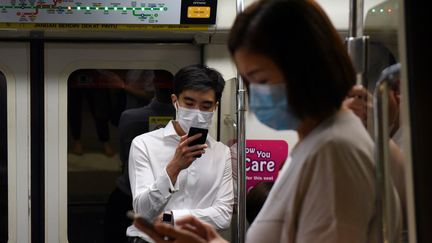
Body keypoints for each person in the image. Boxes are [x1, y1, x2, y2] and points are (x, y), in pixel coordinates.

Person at [133, 0, 403, 243]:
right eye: (248, 82)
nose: (255, 94)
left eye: (260, 80)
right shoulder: (314, 145)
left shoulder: (334, 152)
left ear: (308, 70)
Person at [126, 64, 234, 243]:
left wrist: (173, 218)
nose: (197, 112)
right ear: (175, 101)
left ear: (215, 107)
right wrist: (174, 168)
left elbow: (223, 215)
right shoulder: (144, 144)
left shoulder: (221, 153)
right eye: (189, 103)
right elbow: (143, 212)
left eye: (206, 106)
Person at [104, 70, 176, 243]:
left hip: (127, 193)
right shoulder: (186, 122)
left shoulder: (130, 118)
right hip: (171, 201)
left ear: (155, 84)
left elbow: (124, 157)